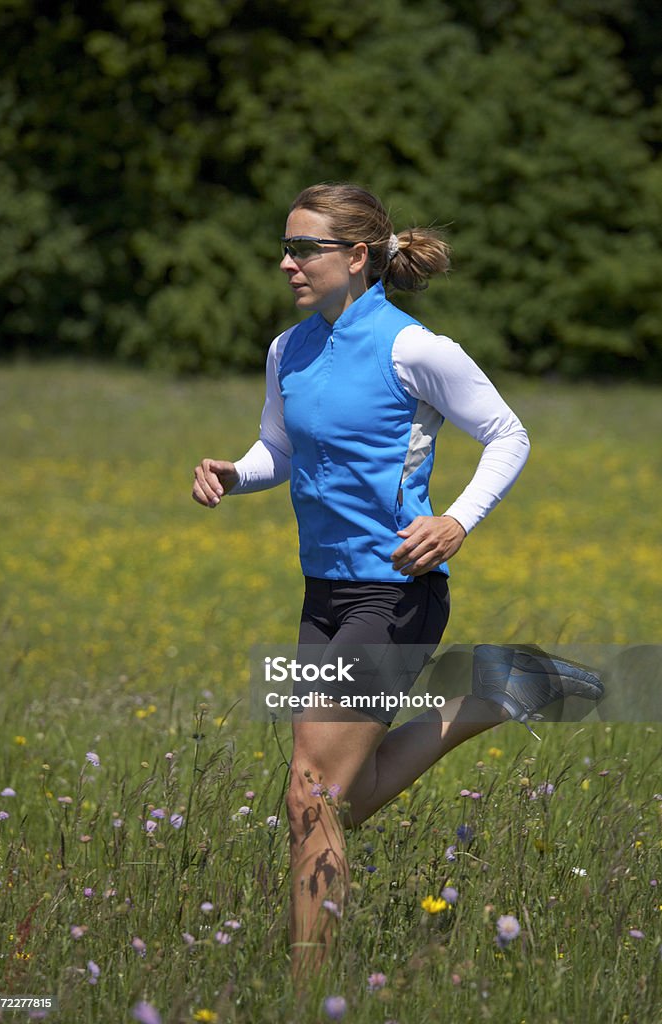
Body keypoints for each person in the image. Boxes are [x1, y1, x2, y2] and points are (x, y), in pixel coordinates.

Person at [192, 183, 601, 979]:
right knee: (325, 796)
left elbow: (506, 434)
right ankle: (493, 690)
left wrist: (455, 521)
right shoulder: (288, 349)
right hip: (324, 590)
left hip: (396, 589)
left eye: (303, 248)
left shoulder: (415, 349)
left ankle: (307, 986)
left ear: (354, 257)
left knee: (311, 794)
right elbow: (278, 448)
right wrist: (232, 474)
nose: (286, 263)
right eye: (285, 247)